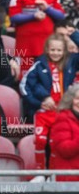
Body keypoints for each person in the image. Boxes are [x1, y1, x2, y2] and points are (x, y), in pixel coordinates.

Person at [20, 32, 79, 172]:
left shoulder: (71, 62)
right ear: (46, 49)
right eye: (52, 50)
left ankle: (53, 174)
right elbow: (24, 86)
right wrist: (39, 102)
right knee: (40, 141)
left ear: (65, 50)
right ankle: (40, 172)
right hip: (44, 111)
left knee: (55, 144)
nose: (56, 53)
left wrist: (73, 35)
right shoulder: (39, 64)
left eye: (59, 50)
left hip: (63, 112)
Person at [9, 0, 65, 77]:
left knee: (46, 75)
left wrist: (48, 9)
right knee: (26, 76)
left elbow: (61, 16)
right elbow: (14, 17)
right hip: (25, 46)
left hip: (47, 46)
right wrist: (32, 16)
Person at [49, 84, 79, 181]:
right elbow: (64, 149)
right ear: (70, 101)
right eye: (77, 99)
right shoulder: (63, 118)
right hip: (70, 179)